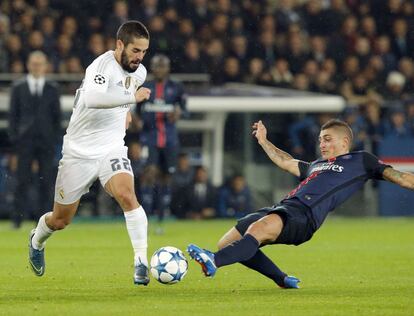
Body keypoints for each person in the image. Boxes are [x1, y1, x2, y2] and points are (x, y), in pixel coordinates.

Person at [187, 119, 414, 289]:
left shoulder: (361, 160)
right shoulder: (316, 165)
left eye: (327, 139)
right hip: (284, 207)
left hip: (305, 215)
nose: (322, 144)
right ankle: (281, 279)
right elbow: (285, 161)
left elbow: (400, 177)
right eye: (320, 140)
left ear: (344, 141)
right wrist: (264, 141)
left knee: (257, 230)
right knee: (227, 242)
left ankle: (213, 262)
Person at [28, 21, 152, 286]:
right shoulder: (100, 66)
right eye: (135, 50)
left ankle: (141, 262)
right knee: (60, 220)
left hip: (111, 147)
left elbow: (123, 93)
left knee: (127, 195)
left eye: (143, 52)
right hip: (78, 153)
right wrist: (131, 101)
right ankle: (36, 240)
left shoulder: (138, 72)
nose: (139, 58)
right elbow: (94, 99)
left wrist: (125, 112)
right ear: (120, 45)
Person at [8, 51, 61, 229]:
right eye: (34, 63)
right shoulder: (18, 87)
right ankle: (17, 220)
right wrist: (15, 141)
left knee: (46, 181)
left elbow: (57, 118)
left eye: (40, 63)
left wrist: (53, 139)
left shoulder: (52, 88)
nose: (37, 67)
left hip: (45, 142)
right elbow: (13, 117)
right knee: (21, 180)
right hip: (24, 142)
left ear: (45, 66)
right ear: (28, 65)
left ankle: (44, 221)